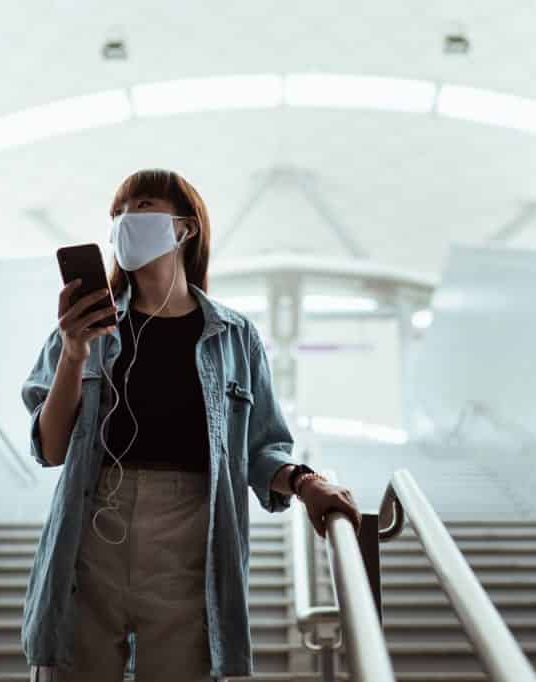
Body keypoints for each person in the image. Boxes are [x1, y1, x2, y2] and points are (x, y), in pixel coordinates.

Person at [20, 168, 362, 681]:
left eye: (145, 206)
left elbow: (261, 444)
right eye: (120, 212)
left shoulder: (232, 335)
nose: (126, 220)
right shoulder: (83, 326)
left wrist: (306, 483)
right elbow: (49, 449)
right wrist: (73, 355)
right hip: (89, 534)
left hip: (190, 535)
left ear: (185, 228)